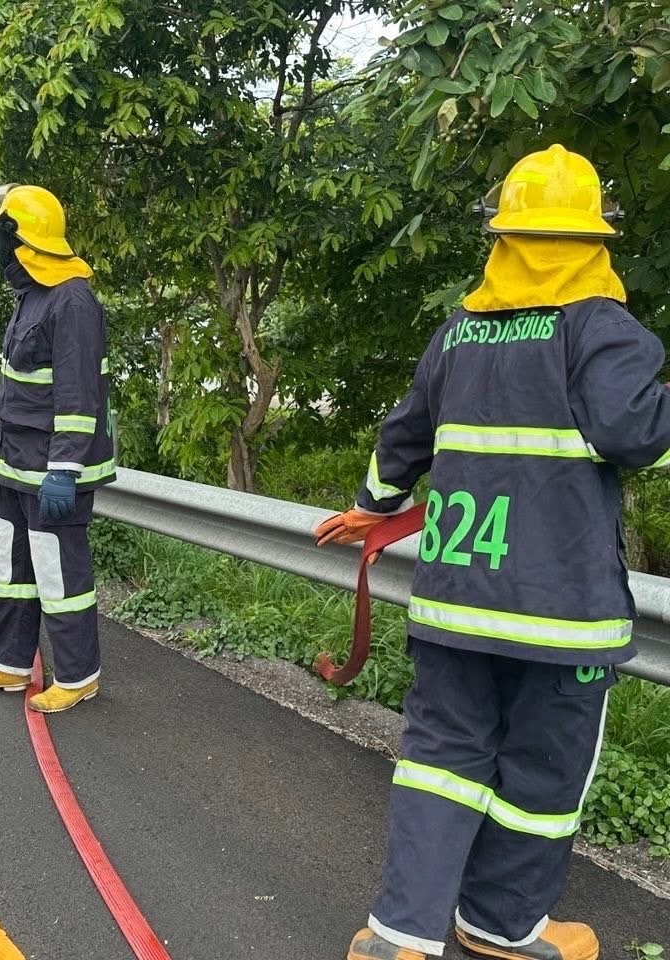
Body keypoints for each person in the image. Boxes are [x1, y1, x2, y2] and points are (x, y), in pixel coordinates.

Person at [315, 144, 670, 960]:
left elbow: (401, 440)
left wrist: (371, 508)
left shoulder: (460, 333)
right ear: (594, 242)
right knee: (542, 782)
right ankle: (502, 927)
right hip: (560, 618)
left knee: (440, 762)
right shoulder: (603, 331)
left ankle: (399, 936)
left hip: (454, 606)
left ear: (502, 236)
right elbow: (633, 432)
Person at [0, 184, 116, 714]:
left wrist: (65, 469)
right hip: (16, 465)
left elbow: (78, 394)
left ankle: (77, 676)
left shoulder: (72, 301)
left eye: (1, 234)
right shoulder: (32, 295)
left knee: (60, 575)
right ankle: (8, 664)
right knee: (9, 567)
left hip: (51, 469)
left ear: (22, 240)